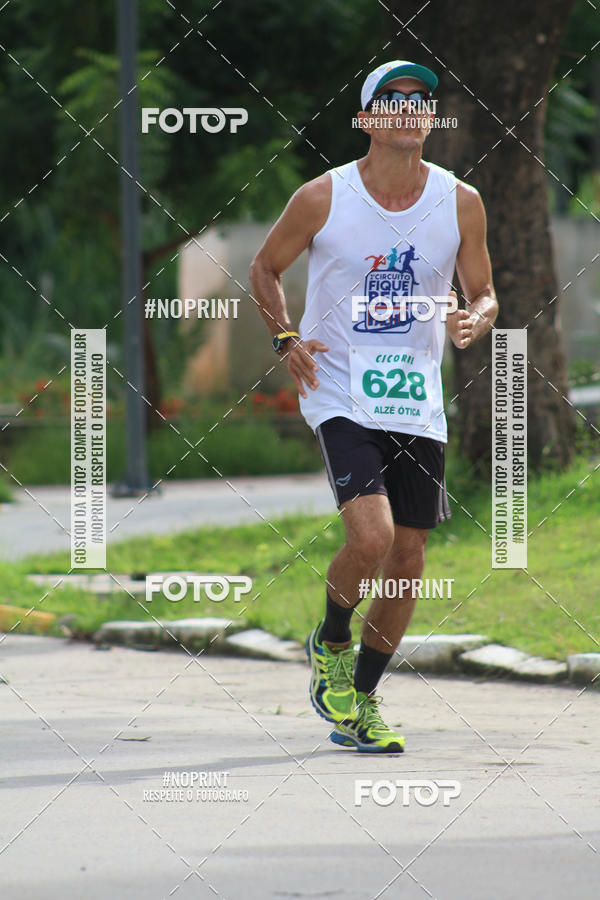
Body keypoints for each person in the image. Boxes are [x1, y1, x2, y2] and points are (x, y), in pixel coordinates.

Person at [249, 60, 498, 753]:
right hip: (339, 388)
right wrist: (285, 337)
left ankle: (361, 702)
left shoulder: (461, 201)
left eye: (421, 99)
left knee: (409, 557)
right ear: (366, 118)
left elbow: (484, 290)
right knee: (372, 538)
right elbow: (265, 267)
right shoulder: (323, 197)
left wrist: (476, 318)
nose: (410, 108)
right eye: (393, 98)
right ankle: (331, 640)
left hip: (415, 397)